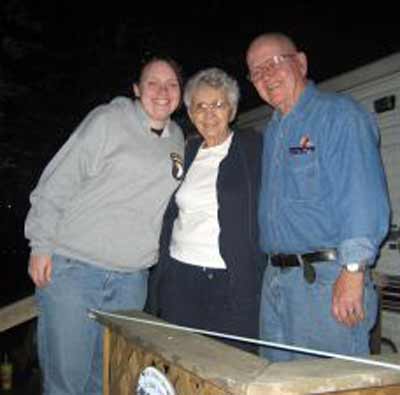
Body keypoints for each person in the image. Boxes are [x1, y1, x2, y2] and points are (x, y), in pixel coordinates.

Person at [24, 56, 185, 394]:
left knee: (107, 381)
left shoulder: (178, 141)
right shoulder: (108, 121)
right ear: (137, 89)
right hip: (74, 272)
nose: (162, 91)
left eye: (171, 84)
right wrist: (40, 245)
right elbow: (57, 182)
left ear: (180, 94)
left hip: (131, 281)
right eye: (152, 83)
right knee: (66, 382)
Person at [246, 33, 390, 361]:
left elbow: (362, 196)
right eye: (256, 71)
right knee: (276, 383)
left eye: (274, 63)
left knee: (324, 384)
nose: (266, 75)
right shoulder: (271, 134)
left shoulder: (338, 115)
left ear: (300, 62)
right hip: (277, 283)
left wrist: (353, 271)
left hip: (327, 282)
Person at [146, 67, 265, 353]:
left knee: (230, 365)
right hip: (179, 276)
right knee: (179, 362)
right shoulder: (185, 152)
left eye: (218, 104)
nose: (209, 113)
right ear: (190, 112)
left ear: (233, 110)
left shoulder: (254, 148)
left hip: (231, 281)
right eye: (200, 106)